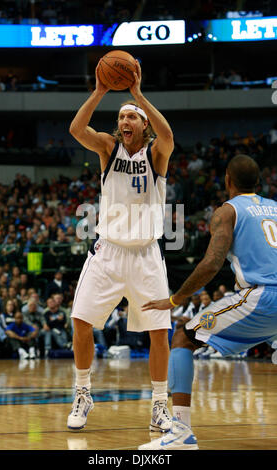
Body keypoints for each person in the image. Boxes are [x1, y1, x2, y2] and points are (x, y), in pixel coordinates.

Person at [139, 154, 277, 450]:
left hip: (262, 296)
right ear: (259, 181)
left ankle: (180, 433)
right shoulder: (276, 209)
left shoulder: (227, 211)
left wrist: (175, 298)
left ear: (227, 180)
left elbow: (211, 264)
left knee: (183, 338)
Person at [67, 59, 174, 432]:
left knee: (160, 333)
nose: (126, 122)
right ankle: (83, 393)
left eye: (133, 118)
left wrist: (138, 95)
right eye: (123, 117)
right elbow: (77, 128)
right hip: (108, 252)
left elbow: (170, 137)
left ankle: (160, 404)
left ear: (144, 125)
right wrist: (99, 91)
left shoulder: (155, 154)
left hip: (146, 255)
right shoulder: (109, 149)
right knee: (80, 321)